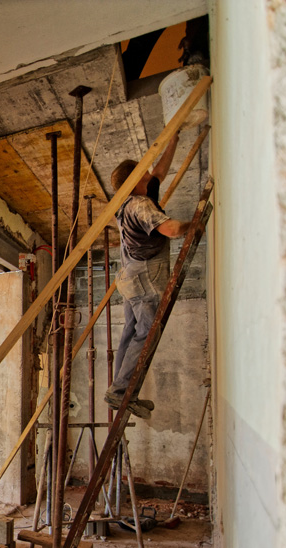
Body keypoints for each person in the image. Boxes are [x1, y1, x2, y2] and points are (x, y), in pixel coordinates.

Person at [104, 133, 190, 420]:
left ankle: (121, 391)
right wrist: (197, 222)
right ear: (135, 179)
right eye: (143, 172)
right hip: (144, 277)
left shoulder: (134, 197)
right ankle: (120, 392)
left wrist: (174, 139)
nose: (149, 173)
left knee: (131, 332)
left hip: (130, 274)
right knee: (147, 333)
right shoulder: (139, 205)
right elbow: (173, 230)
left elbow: (159, 173)